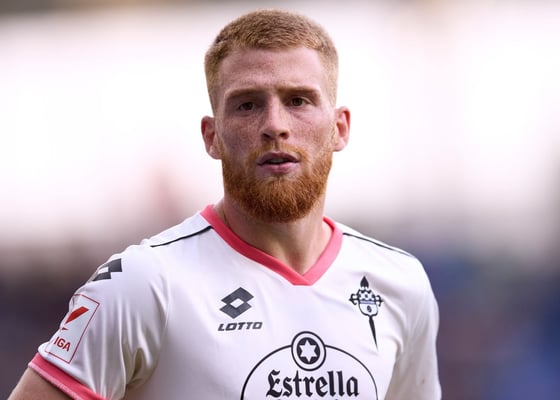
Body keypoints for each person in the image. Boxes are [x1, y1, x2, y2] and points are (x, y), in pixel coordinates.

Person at [9, 8, 441, 400]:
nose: (275, 125)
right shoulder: (145, 284)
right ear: (211, 136)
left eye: (298, 100)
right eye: (248, 105)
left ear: (339, 128)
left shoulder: (400, 284)